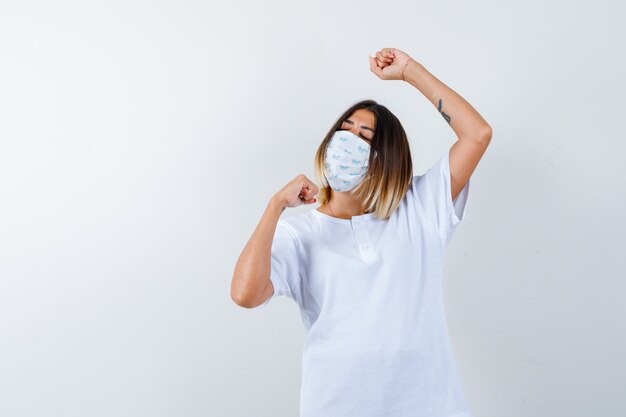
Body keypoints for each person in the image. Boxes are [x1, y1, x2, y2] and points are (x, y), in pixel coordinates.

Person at [231, 47, 492, 417]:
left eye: (365, 136)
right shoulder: (300, 234)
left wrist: (410, 72)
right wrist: (275, 206)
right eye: (345, 129)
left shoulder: (420, 207)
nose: (349, 139)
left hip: (429, 405)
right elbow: (245, 294)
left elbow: (477, 134)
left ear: (384, 157)